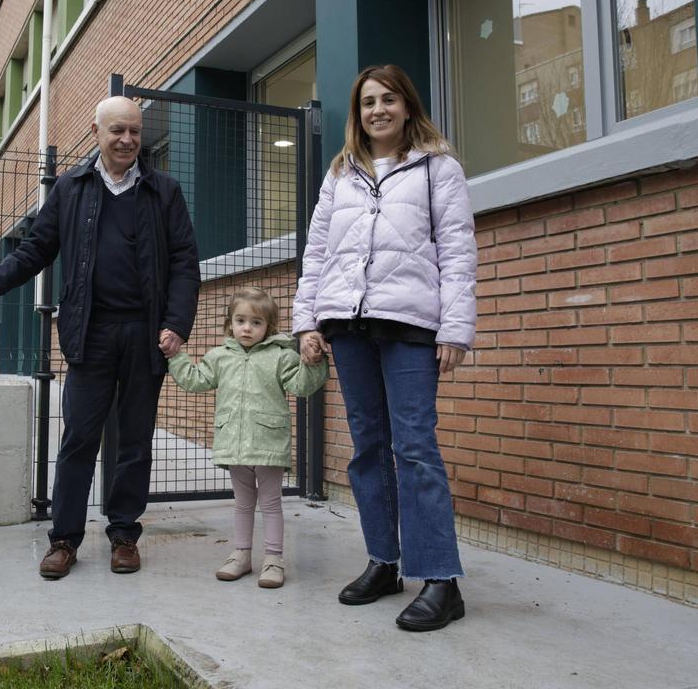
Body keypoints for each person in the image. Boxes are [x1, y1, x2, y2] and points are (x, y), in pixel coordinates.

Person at [0, 95, 200, 580]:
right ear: (96, 133)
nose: (127, 140)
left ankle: (123, 534)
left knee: (136, 441)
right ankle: (64, 539)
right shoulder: (72, 188)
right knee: (79, 438)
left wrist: (177, 323)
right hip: (90, 331)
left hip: (146, 334)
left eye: (135, 131)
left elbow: (184, 262)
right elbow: (37, 246)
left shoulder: (164, 192)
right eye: (117, 130)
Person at [292, 64, 477, 631]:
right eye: (368, 102)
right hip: (347, 327)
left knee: (416, 448)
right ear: (358, 112)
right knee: (368, 448)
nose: (378, 110)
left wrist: (454, 329)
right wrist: (307, 321)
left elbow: (458, 249)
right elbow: (317, 249)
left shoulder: (437, 168)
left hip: (410, 328)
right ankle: (384, 561)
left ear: (406, 105)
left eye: (388, 99)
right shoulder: (341, 173)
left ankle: (441, 580)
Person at [168, 287, 327, 589]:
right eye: (241, 320)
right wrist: (176, 356)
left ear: (269, 326)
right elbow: (194, 380)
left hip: (267, 442)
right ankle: (241, 555)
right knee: (242, 503)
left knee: (270, 502)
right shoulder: (219, 357)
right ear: (230, 323)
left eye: (256, 322)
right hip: (234, 441)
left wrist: (314, 363)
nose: (247, 328)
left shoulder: (282, 356)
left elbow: (302, 386)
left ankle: (274, 559)